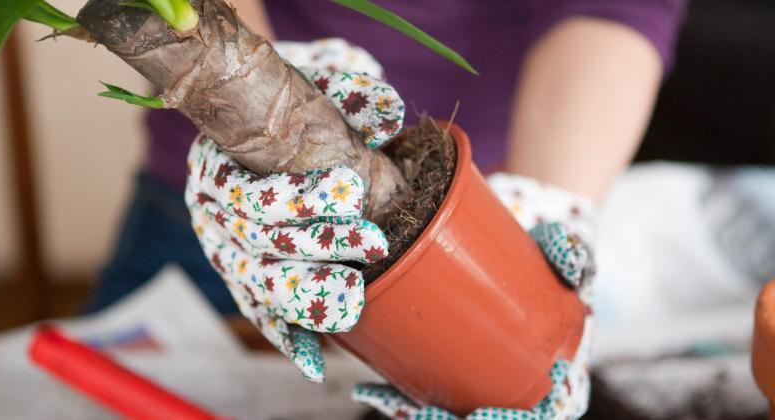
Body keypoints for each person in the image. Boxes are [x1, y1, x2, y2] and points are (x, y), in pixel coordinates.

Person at [84, 0, 686, 417]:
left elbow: (615, 10)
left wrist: (549, 201)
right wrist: (266, 100)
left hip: (489, 205)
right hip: (241, 215)